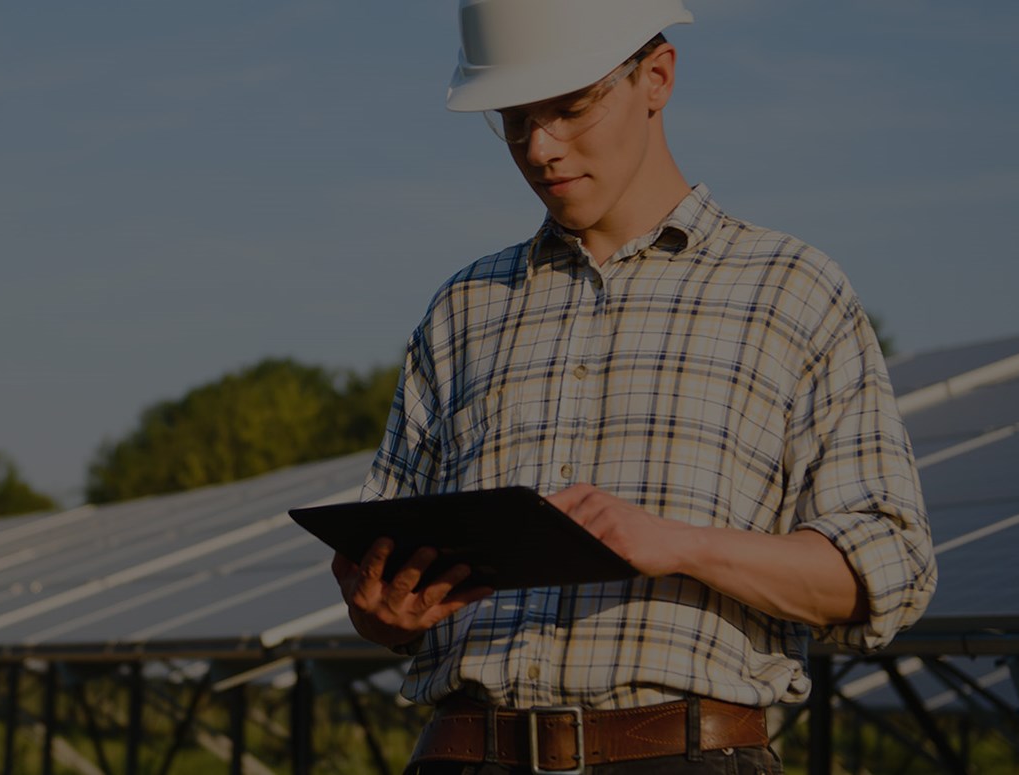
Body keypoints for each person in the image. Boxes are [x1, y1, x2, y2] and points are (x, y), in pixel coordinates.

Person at [328, 2, 938, 773]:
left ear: (656, 78)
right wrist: (385, 610)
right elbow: (384, 567)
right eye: (514, 120)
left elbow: (887, 568)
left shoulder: (791, 291)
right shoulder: (463, 310)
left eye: (571, 108)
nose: (541, 147)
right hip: (462, 753)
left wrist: (679, 544)